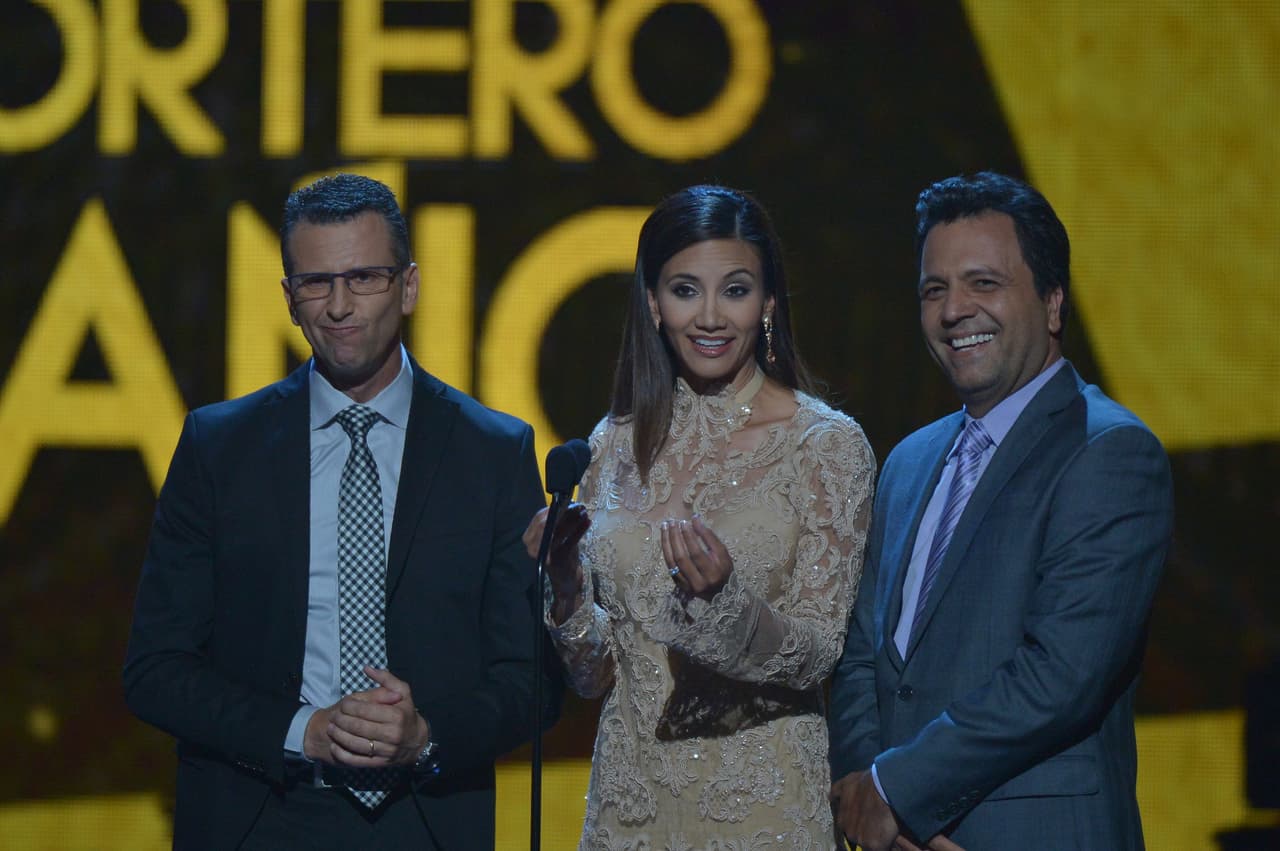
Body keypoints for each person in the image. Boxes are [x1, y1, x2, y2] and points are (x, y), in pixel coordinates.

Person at [123, 173, 550, 849]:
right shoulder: (219, 447)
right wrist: (301, 729)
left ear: (408, 286)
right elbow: (155, 669)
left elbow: (530, 676)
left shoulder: (492, 450)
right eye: (316, 282)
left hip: (426, 818)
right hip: (259, 815)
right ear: (290, 299)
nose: (340, 305)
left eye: (365, 278)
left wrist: (427, 734)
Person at [827, 172, 1174, 850]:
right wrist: (868, 793)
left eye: (984, 283)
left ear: (1052, 303)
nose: (955, 309)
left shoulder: (1109, 451)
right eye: (935, 289)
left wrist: (897, 790)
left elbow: (1061, 673)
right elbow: (862, 654)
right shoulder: (906, 462)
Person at [525, 185, 876, 849]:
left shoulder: (824, 445)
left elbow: (818, 654)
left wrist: (728, 602)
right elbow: (595, 674)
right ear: (654, 303)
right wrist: (567, 586)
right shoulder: (612, 445)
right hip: (628, 816)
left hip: (759, 816)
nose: (710, 316)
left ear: (768, 302)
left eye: (735, 290)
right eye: (686, 290)